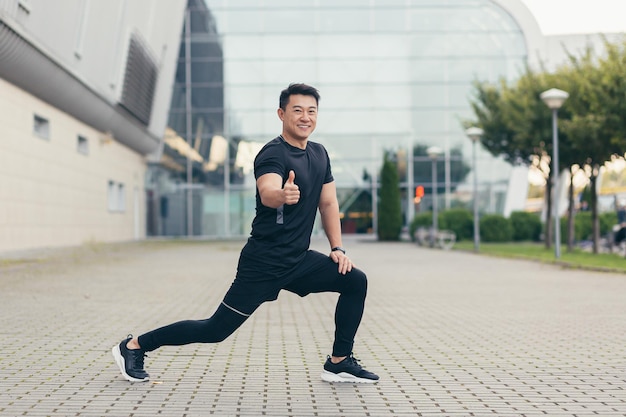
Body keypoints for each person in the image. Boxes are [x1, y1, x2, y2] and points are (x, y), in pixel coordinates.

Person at [112, 83, 379, 384]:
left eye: (311, 111)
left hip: (298, 260)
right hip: (263, 262)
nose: (305, 117)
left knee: (355, 280)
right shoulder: (272, 154)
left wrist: (338, 248)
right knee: (214, 330)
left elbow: (328, 203)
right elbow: (267, 192)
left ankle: (339, 361)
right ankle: (134, 346)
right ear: (281, 114)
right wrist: (283, 194)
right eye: (297, 110)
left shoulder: (319, 154)